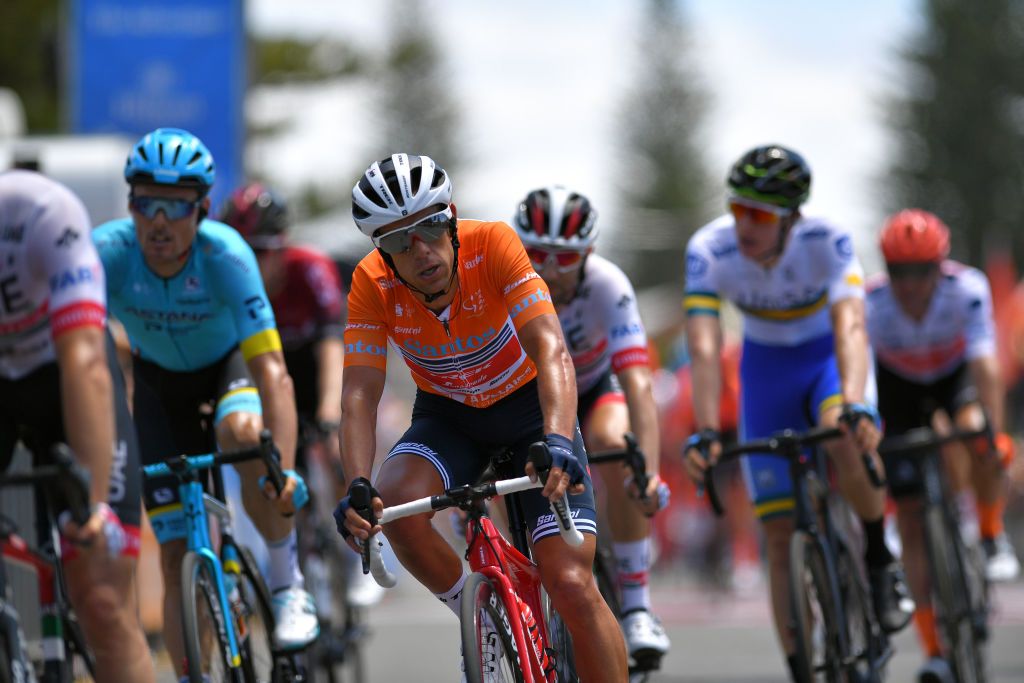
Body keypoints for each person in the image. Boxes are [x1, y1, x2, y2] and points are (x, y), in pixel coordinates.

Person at [334, 154, 627, 681]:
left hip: (527, 414)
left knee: (572, 584)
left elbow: (551, 350)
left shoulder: (492, 244)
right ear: (383, 252)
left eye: (428, 228)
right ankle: (488, 623)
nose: (420, 249)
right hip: (449, 418)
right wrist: (356, 482)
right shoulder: (370, 283)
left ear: (450, 217)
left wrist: (559, 439)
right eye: (400, 242)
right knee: (392, 496)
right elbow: (359, 392)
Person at [681, 144, 915, 682]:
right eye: (738, 208)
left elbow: (852, 327)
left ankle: (880, 557)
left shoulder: (826, 239)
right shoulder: (710, 249)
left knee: (839, 433)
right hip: (765, 373)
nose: (744, 224)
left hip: (826, 362)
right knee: (780, 536)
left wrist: (855, 401)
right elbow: (703, 342)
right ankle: (800, 668)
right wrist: (705, 430)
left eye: (759, 215)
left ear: (791, 217)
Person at [91, 128, 317, 679]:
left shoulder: (227, 256)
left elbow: (273, 372)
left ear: (203, 209)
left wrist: (281, 468)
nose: (160, 221)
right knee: (173, 559)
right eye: (148, 203)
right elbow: (81, 359)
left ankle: (288, 585)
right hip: (157, 388)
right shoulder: (108, 254)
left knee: (242, 432)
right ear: (131, 205)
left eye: (176, 206)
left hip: (225, 370)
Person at [0, 169, 155, 683]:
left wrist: (91, 505)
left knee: (102, 596)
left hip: (62, 373)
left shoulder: (41, 212)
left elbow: (85, 359)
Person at [510, 185, 671, 662]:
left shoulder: (608, 284)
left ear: (589, 253)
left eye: (566, 257)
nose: (550, 269)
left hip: (595, 391)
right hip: (530, 403)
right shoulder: (504, 284)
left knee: (615, 443)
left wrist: (650, 470)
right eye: (538, 254)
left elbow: (638, 382)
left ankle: (638, 604)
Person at [867, 209, 1020, 682]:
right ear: (886, 269)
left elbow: (986, 366)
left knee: (977, 428)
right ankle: (934, 650)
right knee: (910, 522)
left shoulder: (966, 289)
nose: (910, 284)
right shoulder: (870, 302)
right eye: (899, 272)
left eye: (922, 271)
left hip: (953, 377)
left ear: (941, 266)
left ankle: (991, 533)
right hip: (897, 384)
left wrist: (993, 433)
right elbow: (865, 383)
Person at [218, 181, 384, 608]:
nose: (251, 264)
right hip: (268, 371)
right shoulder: (228, 279)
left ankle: (356, 559)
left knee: (333, 442)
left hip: (316, 366)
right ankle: (294, 561)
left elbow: (333, 344)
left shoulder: (309, 266)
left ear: (281, 246)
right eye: (244, 253)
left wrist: (330, 410)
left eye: (261, 252)